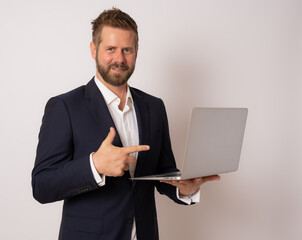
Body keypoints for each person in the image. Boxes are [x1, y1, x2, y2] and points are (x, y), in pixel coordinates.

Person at [32, 8, 220, 240]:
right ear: (94, 50)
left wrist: (184, 189)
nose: (119, 59)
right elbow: (42, 185)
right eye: (110, 49)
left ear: (136, 51)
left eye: (127, 50)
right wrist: (95, 165)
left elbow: (162, 172)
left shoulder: (154, 106)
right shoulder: (65, 106)